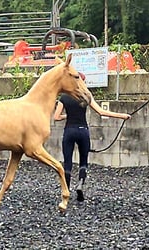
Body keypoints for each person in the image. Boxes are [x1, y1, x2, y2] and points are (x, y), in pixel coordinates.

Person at [53, 73, 131, 202]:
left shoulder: (64, 97)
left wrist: (67, 116)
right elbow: (101, 112)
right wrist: (122, 116)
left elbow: (56, 117)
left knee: (67, 162)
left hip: (69, 131)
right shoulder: (86, 96)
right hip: (83, 131)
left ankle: (65, 193)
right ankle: (80, 185)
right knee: (83, 161)